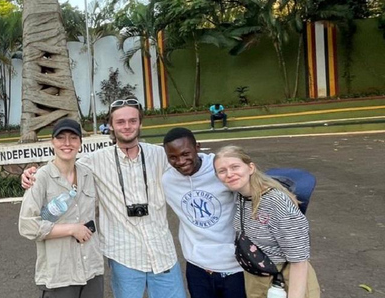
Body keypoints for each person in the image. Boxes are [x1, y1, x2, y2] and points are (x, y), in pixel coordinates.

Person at [23, 99, 185, 298]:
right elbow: (63, 163)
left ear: (140, 123)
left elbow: (189, 164)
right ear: (111, 125)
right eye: (120, 122)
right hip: (125, 258)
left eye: (132, 121)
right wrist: (31, 173)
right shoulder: (95, 161)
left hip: (163, 255)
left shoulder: (160, 155)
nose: (127, 126)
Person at [213, 146, 320, 298]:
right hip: (257, 278)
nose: (229, 174)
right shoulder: (241, 197)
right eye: (222, 171)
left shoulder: (276, 201)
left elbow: (299, 261)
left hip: (287, 279)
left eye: (235, 167)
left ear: (250, 168)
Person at [19, 118, 104, 298]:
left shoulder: (88, 174)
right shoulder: (40, 178)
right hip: (59, 275)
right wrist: (72, 229)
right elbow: (27, 226)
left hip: (91, 270)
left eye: (73, 138)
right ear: (52, 142)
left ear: (80, 143)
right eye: (61, 138)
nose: (67, 143)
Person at [161, 128, 245, 298]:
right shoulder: (168, 181)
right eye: (173, 157)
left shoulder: (221, 169)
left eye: (185, 154)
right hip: (197, 267)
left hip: (235, 266)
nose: (181, 161)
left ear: (197, 147)